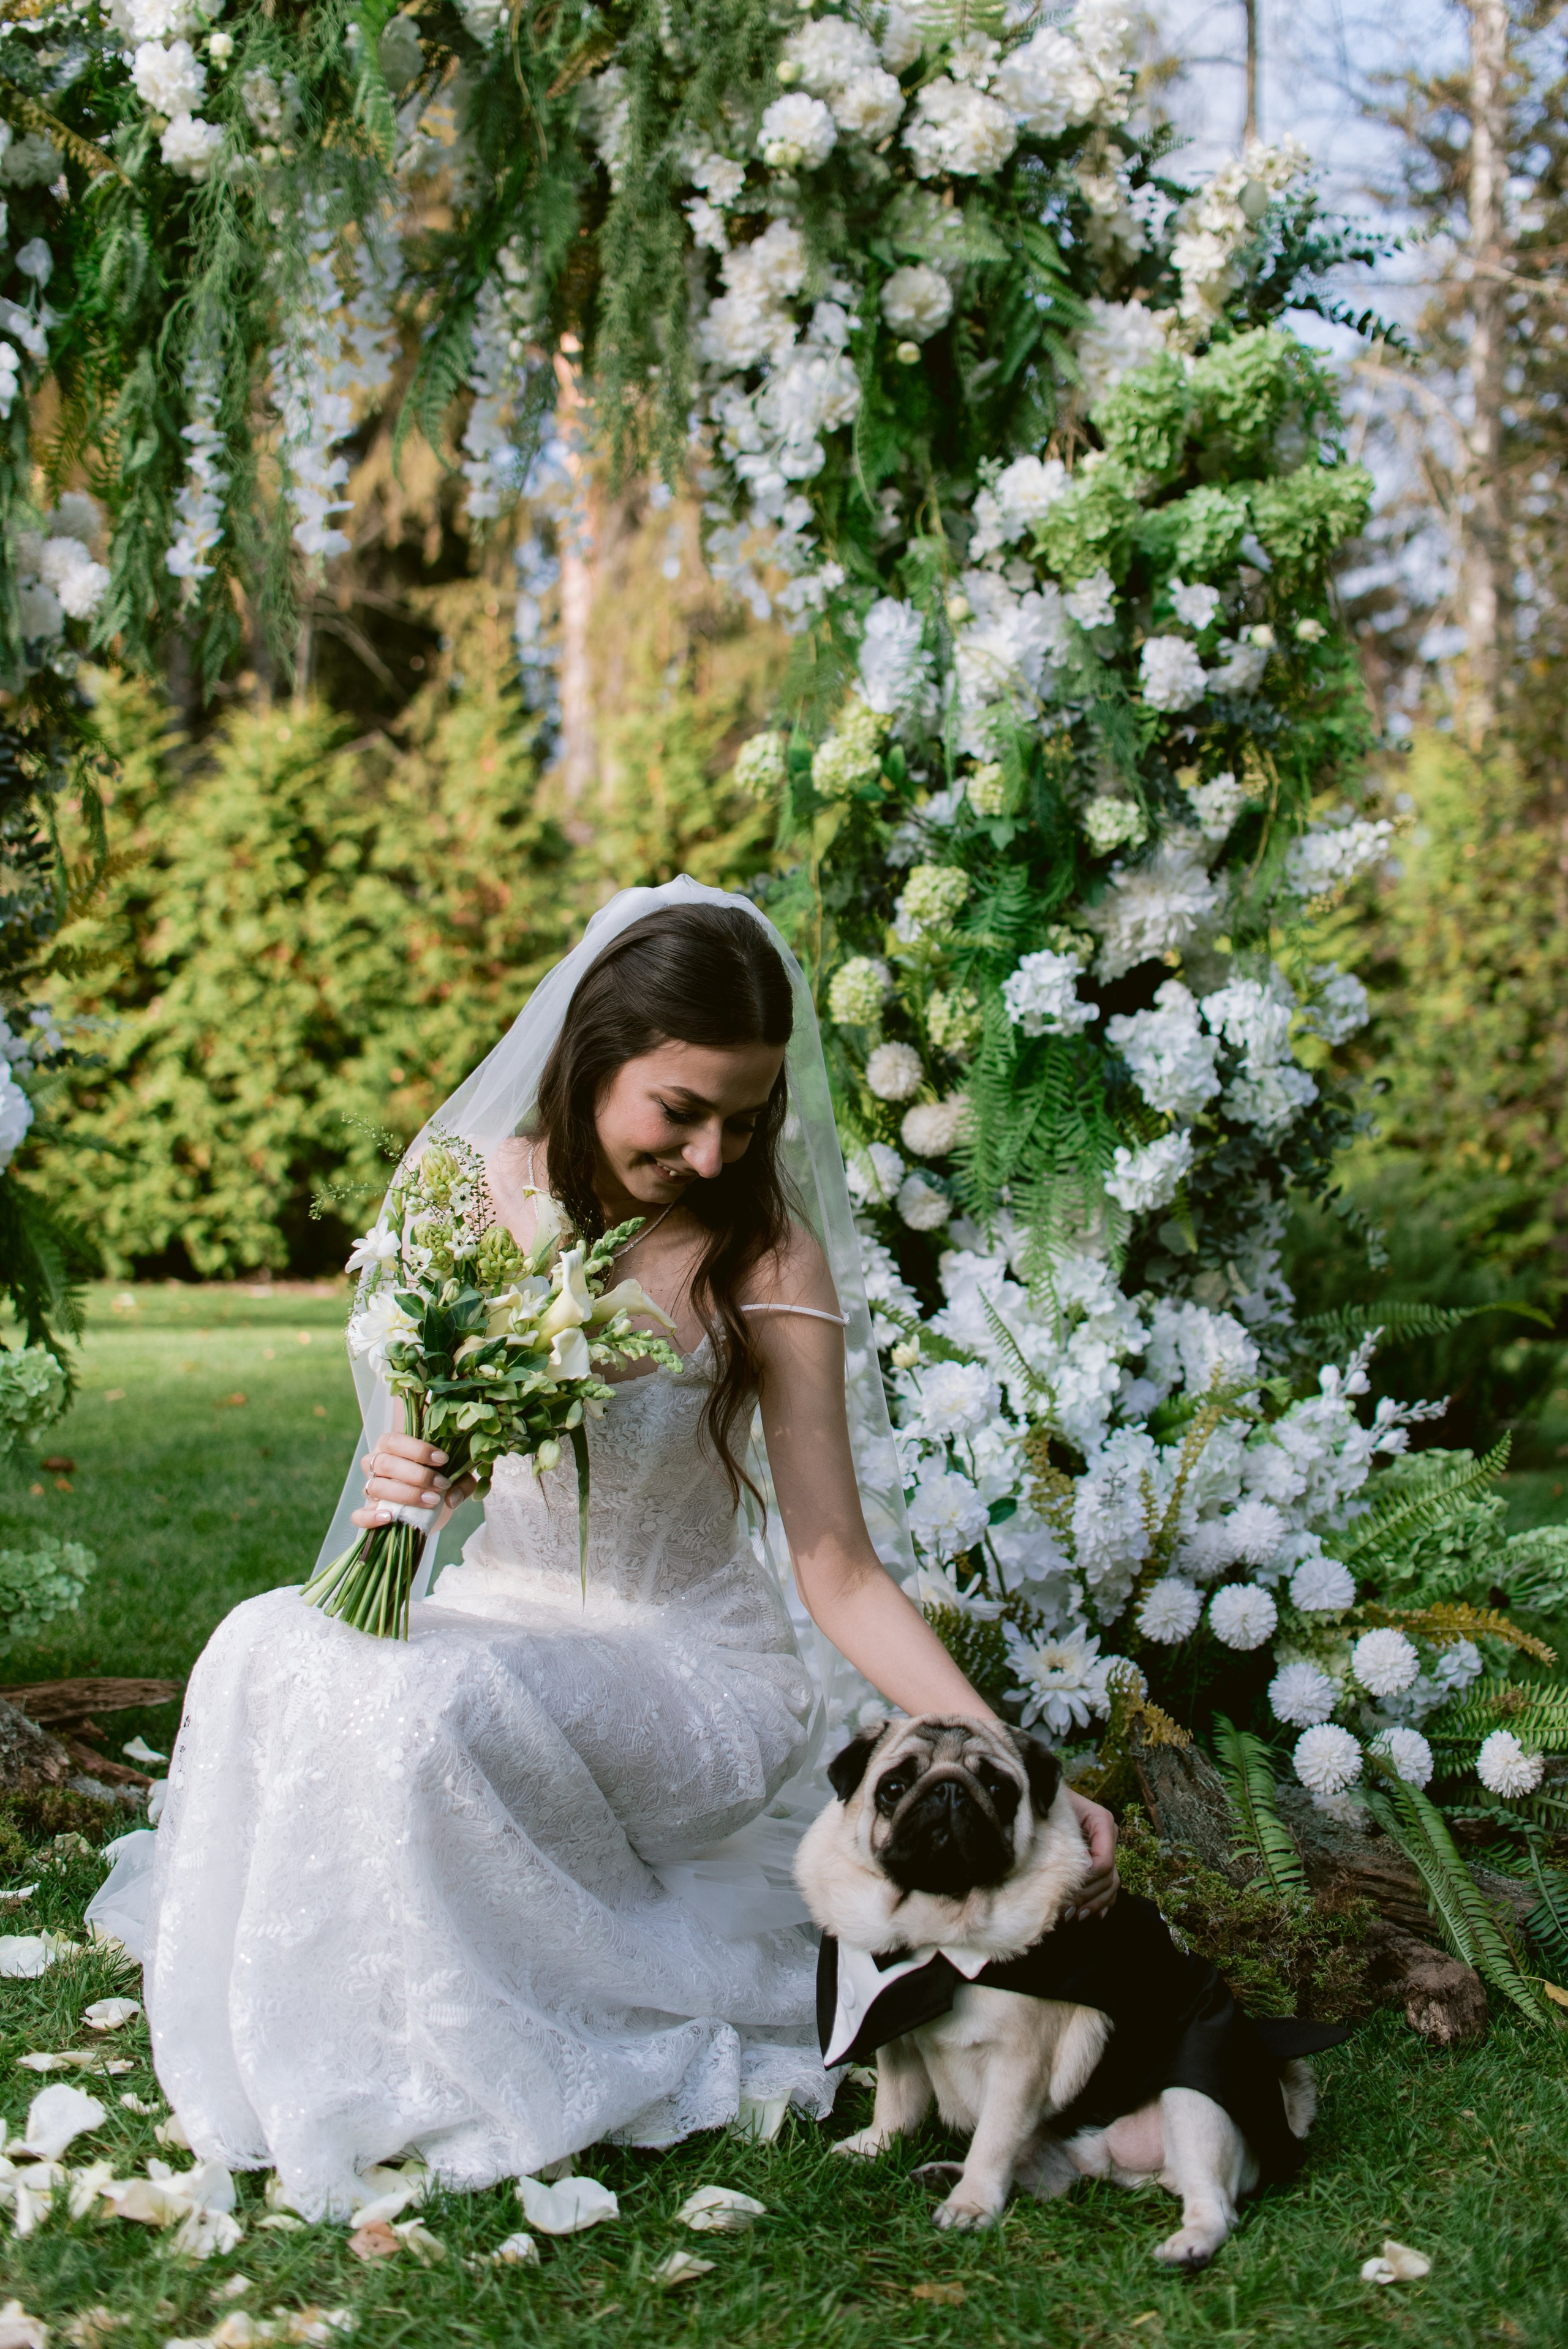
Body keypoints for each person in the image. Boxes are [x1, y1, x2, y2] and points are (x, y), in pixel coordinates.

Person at [107, 881, 1116, 2219]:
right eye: (679, 1110)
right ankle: (342, 2009)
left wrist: (1006, 1767)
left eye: (744, 1119)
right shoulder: (463, 1188)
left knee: (435, 1700)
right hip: (497, 1603)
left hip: (682, 1661)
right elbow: (414, 1460)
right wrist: (414, 1472)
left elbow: (838, 1568)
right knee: (263, 1639)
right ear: (591, 1063)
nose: (712, 1152)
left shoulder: (761, 1251)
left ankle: (501, 2033)